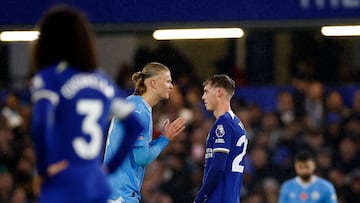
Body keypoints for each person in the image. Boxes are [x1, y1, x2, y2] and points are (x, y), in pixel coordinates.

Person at [30, 5, 143, 203]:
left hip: (62, 183)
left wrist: (43, 169)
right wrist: (108, 169)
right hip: (95, 185)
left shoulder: (50, 78)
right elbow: (134, 126)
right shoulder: (103, 82)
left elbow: (40, 122)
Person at [103, 62, 186, 203]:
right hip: (120, 194)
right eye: (168, 81)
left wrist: (162, 138)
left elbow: (136, 151)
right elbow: (141, 157)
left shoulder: (137, 105)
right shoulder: (138, 109)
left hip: (115, 191)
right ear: (153, 83)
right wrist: (164, 139)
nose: (171, 86)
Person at [194, 74, 249, 203]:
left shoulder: (224, 124)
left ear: (219, 92)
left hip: (219, 198)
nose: (203, 97)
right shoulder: (236, 123)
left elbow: (218, 166)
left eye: (206, 92)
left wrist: (201, 196)